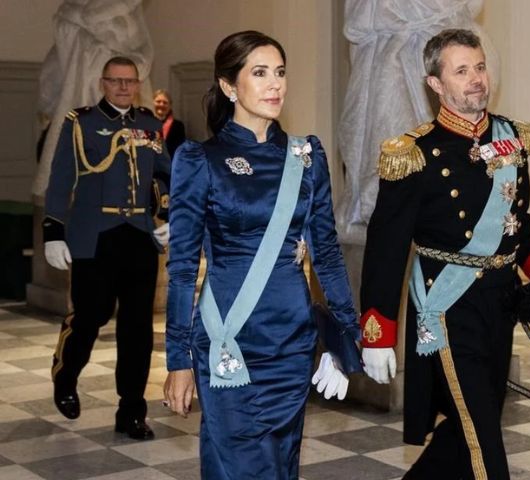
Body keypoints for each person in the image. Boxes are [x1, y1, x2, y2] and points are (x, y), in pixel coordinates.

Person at [360, 29, 530, 480]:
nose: (476, 79)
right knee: (482, 440)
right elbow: (385, 250)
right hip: (447, 307)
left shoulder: (511, 137)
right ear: (435, 84)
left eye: (479, 67)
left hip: (500, 303)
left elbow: (517, 225)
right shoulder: (414, 154)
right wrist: (377, 333)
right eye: (461, 71)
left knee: (468, 426)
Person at [162, 30, 365, 479]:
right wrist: (178, 359)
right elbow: (182, 270)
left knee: (279, 465)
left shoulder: (306, 156)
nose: (275, 84)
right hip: (229, 341)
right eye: (259, 73)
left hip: (292, 344)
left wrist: (344, 337)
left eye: (280, 72)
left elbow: (327, 253)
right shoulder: (200, 159)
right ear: (229, 86)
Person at [43, 56, 171, 440]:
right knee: (91, 316)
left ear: (138, 84)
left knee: (137, 328)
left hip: (139, 235)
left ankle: (131, 411)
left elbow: (164, 173)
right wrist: (53, 231)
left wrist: (169, 214)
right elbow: (61, 177)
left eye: (129, 81)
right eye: (115, 81)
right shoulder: (81, 122)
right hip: (95, 235)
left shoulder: (150, 124)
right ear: (103, 83)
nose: (123, 87)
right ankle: (65, 373)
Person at [153, 89, 186, 157]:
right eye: (158, 101)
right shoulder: (146, 123)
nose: (161, 105)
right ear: (153, 102)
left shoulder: (178, 126)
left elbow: (180, 150)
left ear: (170, 105)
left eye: (165, 102)